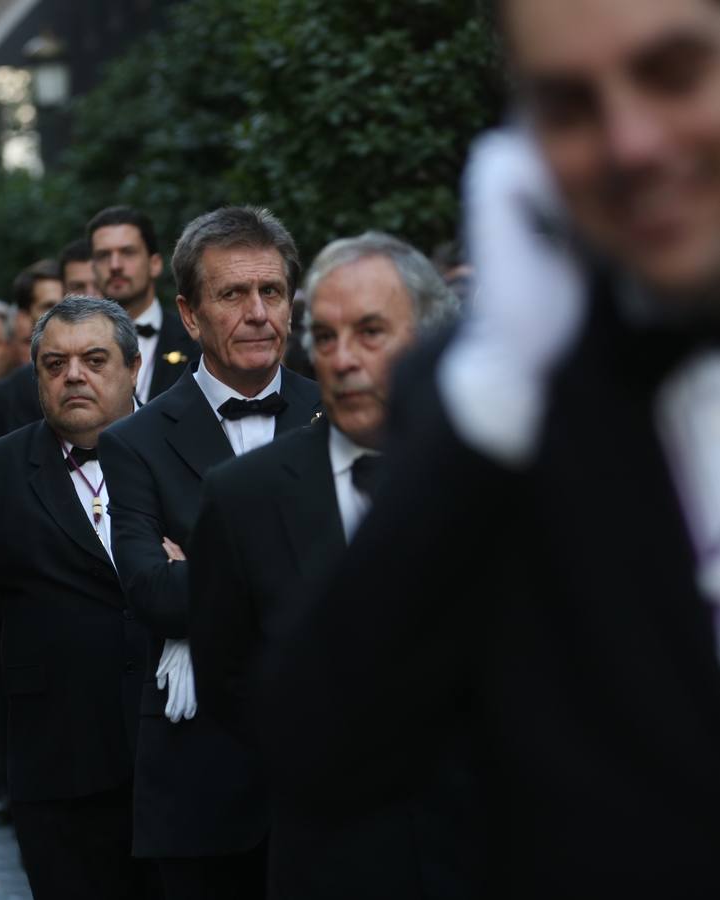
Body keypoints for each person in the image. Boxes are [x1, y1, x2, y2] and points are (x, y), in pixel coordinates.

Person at [266, 0, 720, 896]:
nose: (629, 144)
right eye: (567, 105)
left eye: (672, 74)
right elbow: (324, 746)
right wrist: (498, 402)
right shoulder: (494, 392)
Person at [188, 233, 470, 898]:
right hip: (329, 857)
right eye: (324, 337)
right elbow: (229, 681)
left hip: (489, 845)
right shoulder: (243, 497)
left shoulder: (491, 469)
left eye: (370, 333)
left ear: (428, 339)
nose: (342, 361)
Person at [98, 206, 321, 898]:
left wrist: (200, 564)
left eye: (272, 292)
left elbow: (377, 581)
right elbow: (152, 595)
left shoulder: (336, 415)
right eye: (232, 295)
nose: (257, 313)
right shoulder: (134, 441)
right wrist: (301, 564)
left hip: (328, 773)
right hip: (201, 777)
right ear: (189, 316)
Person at [0, 296, 155, 900]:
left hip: (183, 757)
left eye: (94, 359)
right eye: (55, 364)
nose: (74, 375)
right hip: (58, 766)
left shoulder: (186, 451)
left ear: (133, 368)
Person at [88, 206, 200, 402]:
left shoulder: (198, 343)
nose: (115, 265)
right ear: (93, 268)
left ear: (155, 264)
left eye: (128, 252)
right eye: (104, 255)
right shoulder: (73, 348)